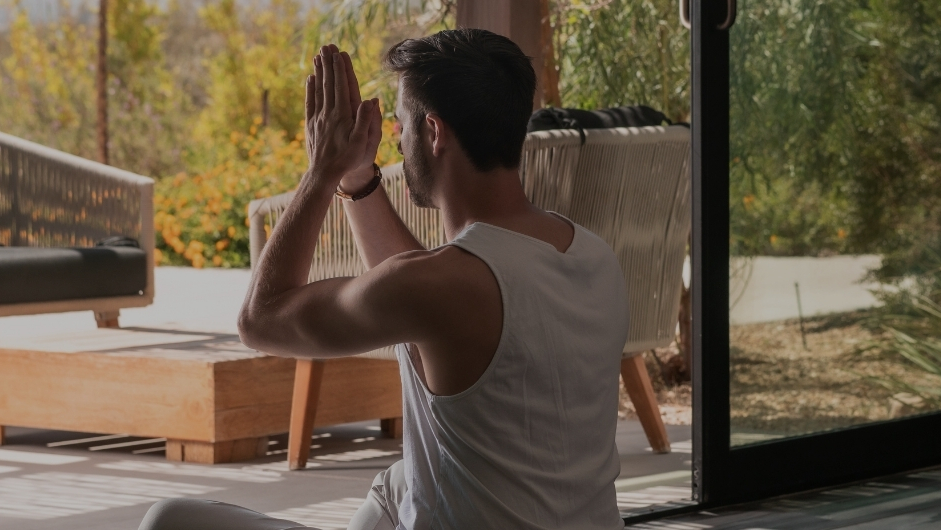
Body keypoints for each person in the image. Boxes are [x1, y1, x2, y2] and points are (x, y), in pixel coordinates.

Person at [138, 28, 629, 530]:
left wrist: (322, 173)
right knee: (399, 482)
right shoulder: (592, 256)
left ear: (433, 132)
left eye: (401, 125)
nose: (397, 138)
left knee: (169, 519)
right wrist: (358, 180)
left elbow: (260, 320)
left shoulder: (441, 286)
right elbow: (439, 305)